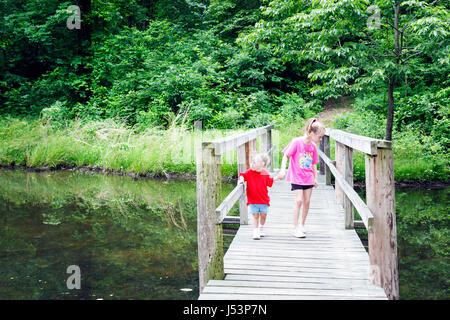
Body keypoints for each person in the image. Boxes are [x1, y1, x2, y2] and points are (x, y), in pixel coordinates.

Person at [278, 118, 325, 238]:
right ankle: (295, 227)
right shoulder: (297, 142)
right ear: (311, 133)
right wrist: (283, 170)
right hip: (297, 176)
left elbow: (314, 163)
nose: (320, 140)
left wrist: (315, 178)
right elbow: (285, 156)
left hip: (308, 177)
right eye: (319, 137)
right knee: (298, 200)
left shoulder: (313, 146)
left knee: (307, 201)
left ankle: (302, 224)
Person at [238, 152, 281, 240]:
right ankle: (255, 231)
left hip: (263, 200)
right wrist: (241, 180)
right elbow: (242, 175)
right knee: (255, 216)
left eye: (254, 162)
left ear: (262, 164)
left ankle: (261, 227)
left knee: (263, 216)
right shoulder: (249, 172)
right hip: (253, 200)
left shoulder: (264, 173)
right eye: (251, 162)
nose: (252, 164)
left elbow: (269, 182)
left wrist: (277, 177)